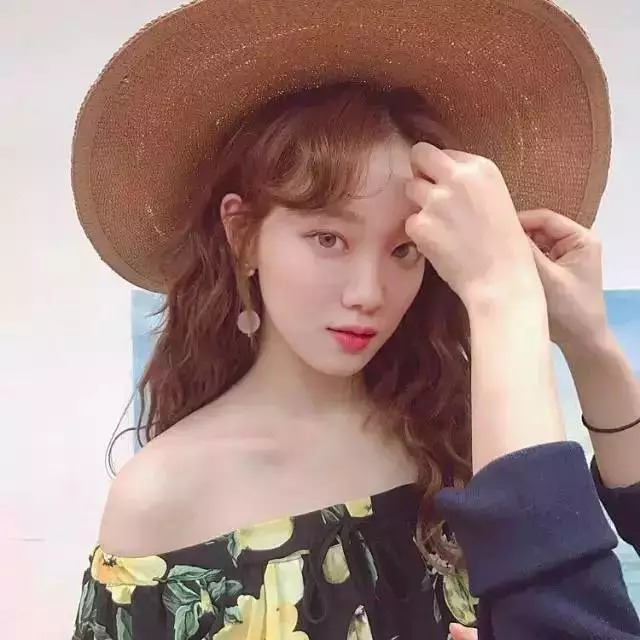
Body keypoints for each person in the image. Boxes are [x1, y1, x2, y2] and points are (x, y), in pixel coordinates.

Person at [69, 2, 640, 639]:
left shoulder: (455, 438)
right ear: (242, 234)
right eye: (328, 239)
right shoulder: (160, 499)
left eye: (405, 250)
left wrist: (589, 343)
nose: (369, 292)